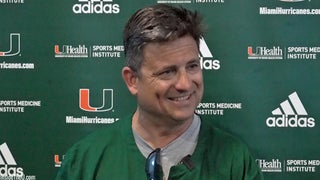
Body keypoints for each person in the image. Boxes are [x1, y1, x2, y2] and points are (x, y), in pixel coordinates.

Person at [55, 4, 264, 180]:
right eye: (167, 72)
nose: (185, 84)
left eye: (192, 66)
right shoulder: (84, 161)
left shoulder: (235, 162)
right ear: (132, 80)